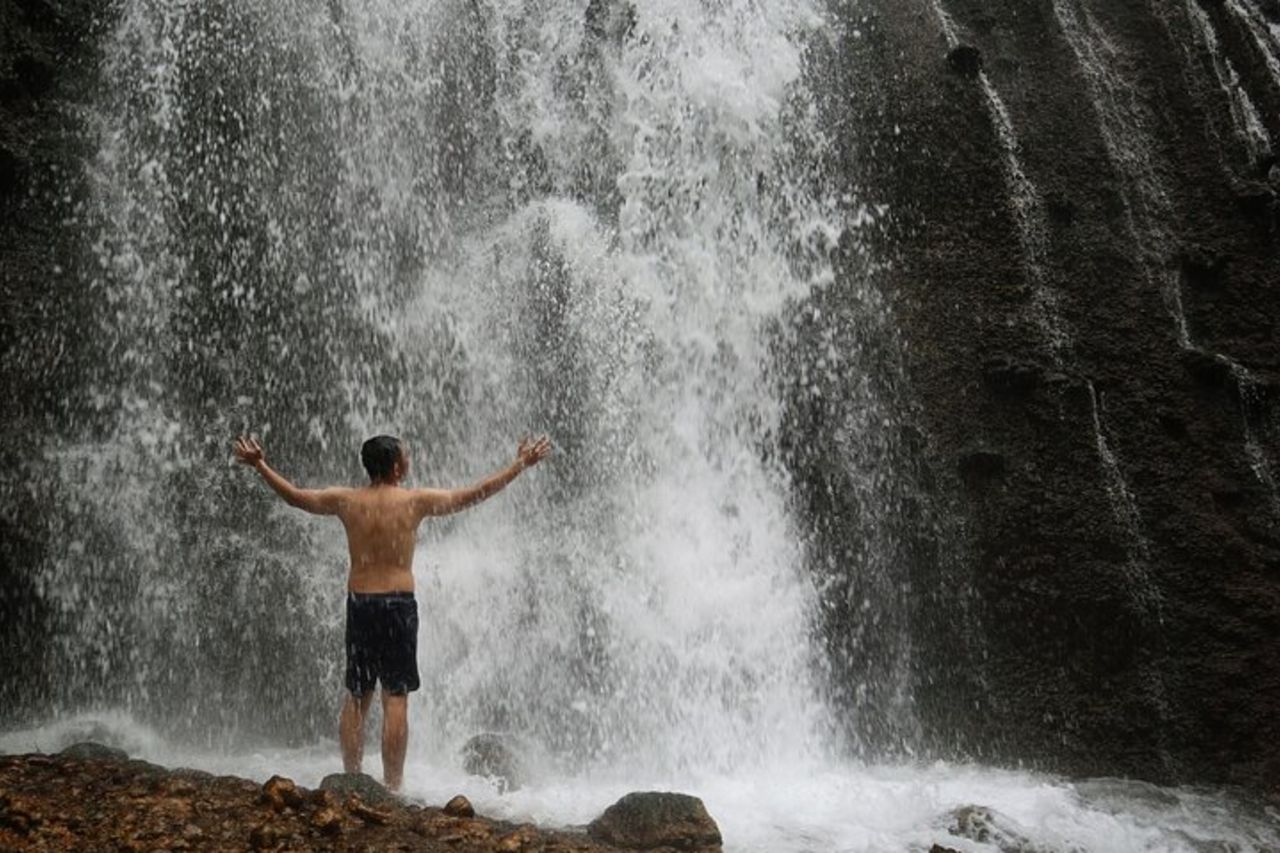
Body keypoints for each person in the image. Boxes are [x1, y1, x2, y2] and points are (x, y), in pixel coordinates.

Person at [232, 432, 552, 791]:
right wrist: (519, 465)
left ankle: (350, 779)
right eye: (407, 456)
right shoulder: (415, 501)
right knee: (395, 697)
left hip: (361, 603)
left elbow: (295, 497)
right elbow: (474, 494)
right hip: (399, 605)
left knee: (357, 694)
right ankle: (393, 787)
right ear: (397, 466)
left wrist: (260, 464)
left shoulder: (345, 500)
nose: (410, 460)